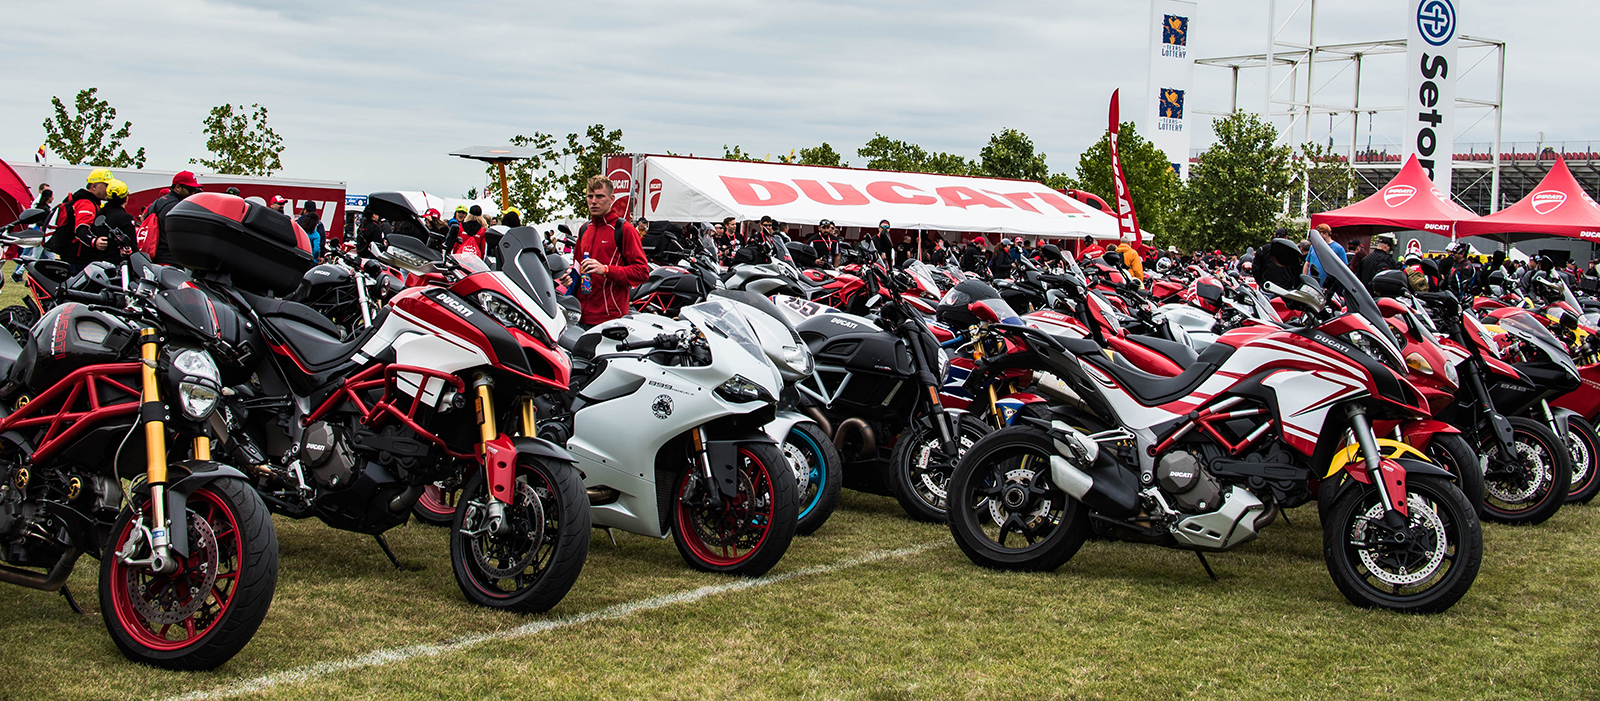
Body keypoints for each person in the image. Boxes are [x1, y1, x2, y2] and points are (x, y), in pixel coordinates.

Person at [573, 174, 649, 327]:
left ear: (611, 199)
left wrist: (606, 269)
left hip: (610, 319)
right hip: (580, 316)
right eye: (590, 196)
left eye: (599, 196)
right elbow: (576, 267)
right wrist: (567, 279)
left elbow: (642, 272)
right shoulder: (584, 229)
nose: (593, 201)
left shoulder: (624, 229)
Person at [50, 168, 113, 273]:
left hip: (75, 257)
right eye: (106, 186)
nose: (109, 189)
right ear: (94, 187)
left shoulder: (88, 202)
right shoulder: (86, 203)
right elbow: (81, 229)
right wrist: (94, 241)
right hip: (78, 259)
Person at [140, 170, 203, 265]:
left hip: (152, 258)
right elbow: (182, 236)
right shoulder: (177, 207)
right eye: (190, 189)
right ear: (178, 188)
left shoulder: (157, 202)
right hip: (170, 260)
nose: (193, 193)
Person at [96, 179, 137, 262]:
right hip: (118, 265)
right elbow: (132, 246)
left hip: (98, 263)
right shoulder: (126, 218)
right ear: (126, 198)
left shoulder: (100, 214)